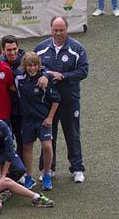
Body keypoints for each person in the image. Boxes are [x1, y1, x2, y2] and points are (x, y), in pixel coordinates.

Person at [34, 16, 88, 183]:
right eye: (55, 30)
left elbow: (84, 70)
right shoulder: (41, 49)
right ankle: (47, 169)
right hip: (48, 102)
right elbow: (33, 68)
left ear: (67, 29)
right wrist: (44, 75)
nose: (58, 33)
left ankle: (77, 168)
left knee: (72, 134)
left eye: (61, 30)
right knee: (48, 136)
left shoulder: (77, 48)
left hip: (69, 100)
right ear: (51, 29)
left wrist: (63, 76)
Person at [15, 52, 60, 191]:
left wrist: (50, 117)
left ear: (38, 65)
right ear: (24, 66)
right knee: (27, 147)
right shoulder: (18, 78)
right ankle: (29, 176)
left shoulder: (44, 79)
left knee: (47, 146)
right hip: (27, 119)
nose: (32, 68)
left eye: (35, 65)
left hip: (43, 120)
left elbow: (56, 100)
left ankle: (46, 174)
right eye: (29, 65)